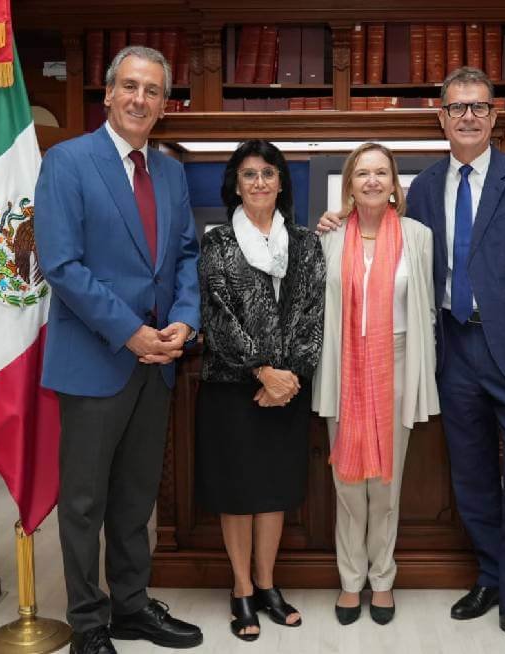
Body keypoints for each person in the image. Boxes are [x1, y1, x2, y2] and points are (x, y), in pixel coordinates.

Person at [319, 67, 505, 654]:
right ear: (441, 117)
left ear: (493, 115)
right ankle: (489, 576)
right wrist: (335, 221)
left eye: (478, 107)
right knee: (474, 476)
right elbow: (388, 240)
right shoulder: (427, 187)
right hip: (454, 352)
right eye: (456, 107)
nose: (467, 117)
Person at [34, 46, 203, 654]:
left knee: (136, 500)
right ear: (106, 94)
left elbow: (186, 256)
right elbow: (61, 264)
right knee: (83, 502)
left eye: (153, 91)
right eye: (130, 86)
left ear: (164, 104)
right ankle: (88, 624)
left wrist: (184, 321)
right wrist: (130, 331)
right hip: (97, 358)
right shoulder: (67, 162)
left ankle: (131, 606)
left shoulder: (171, 172)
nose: (140, 99)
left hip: (158, 361)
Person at [195, 139, 325, 642]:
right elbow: (218, 315)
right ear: (235, 184)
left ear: (281, 183)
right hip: (234, 388)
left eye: (268, 174)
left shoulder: (307, 242)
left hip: (287, 390)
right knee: (238, 492)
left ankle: (269, 585)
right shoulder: (217, 242)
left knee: (274, 491)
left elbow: (313, 313)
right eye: (248, 174)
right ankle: (242, 589)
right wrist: (261, 371)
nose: (259, 183)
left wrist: (287, 375)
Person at [311, 143, 439, 626]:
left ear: (394, 183)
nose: (371, 181)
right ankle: (350, 581)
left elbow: (426, 310)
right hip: (343, 366)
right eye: (361, 173)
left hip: (398, 364)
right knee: (346, 484)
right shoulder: (327, 238)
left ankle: (382, 579)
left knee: (386, 483)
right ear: (349, 183)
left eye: (380, 172)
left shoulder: (417, 236)